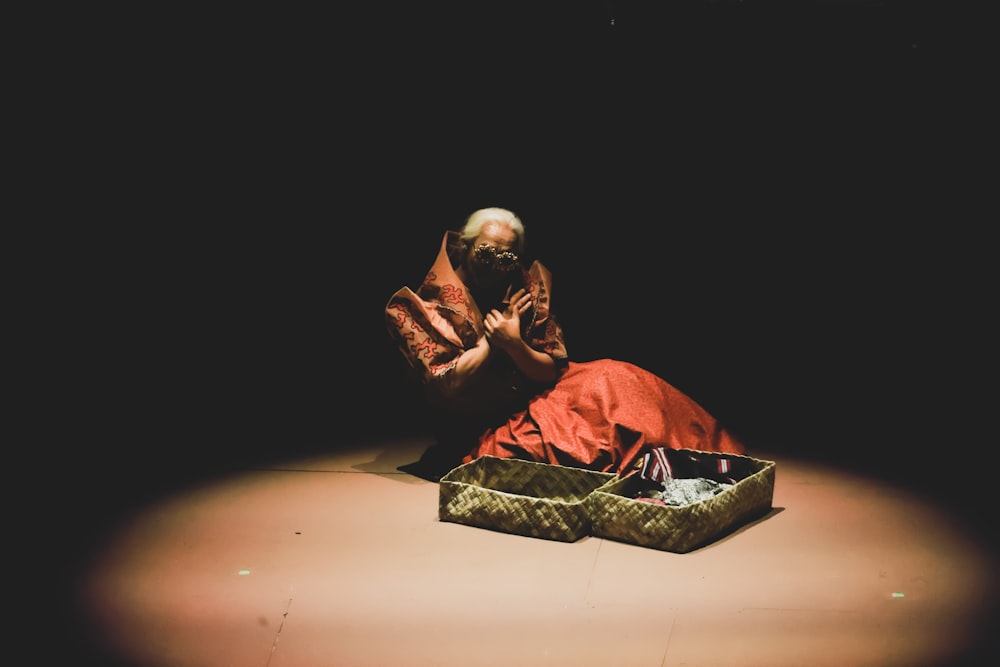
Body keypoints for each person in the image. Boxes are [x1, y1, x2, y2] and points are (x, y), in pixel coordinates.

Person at [385, 206, 745, 480]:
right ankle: (658, 465)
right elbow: (448, 386)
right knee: (586, 439)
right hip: (477, 428)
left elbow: (550, 371)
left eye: (507, 257)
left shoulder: (523, 289)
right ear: (464, 247)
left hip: (536, 396)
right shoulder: (418, 308)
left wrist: (515, 345)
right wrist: (493, 344)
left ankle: (712, 452)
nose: (496, 265)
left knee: (615, 378)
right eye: (485, 253)